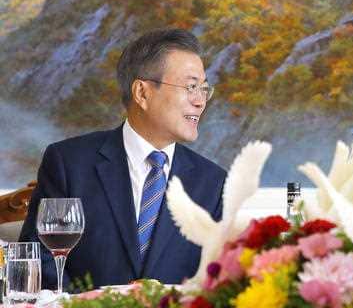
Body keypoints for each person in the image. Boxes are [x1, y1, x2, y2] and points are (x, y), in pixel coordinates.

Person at [19, 28, 226, 290]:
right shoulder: (68, 163)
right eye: (191, 87)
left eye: (205, 89)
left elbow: (219, 279)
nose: (200, 101)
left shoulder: (214, 183)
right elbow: (38, 258)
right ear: (142, 92)